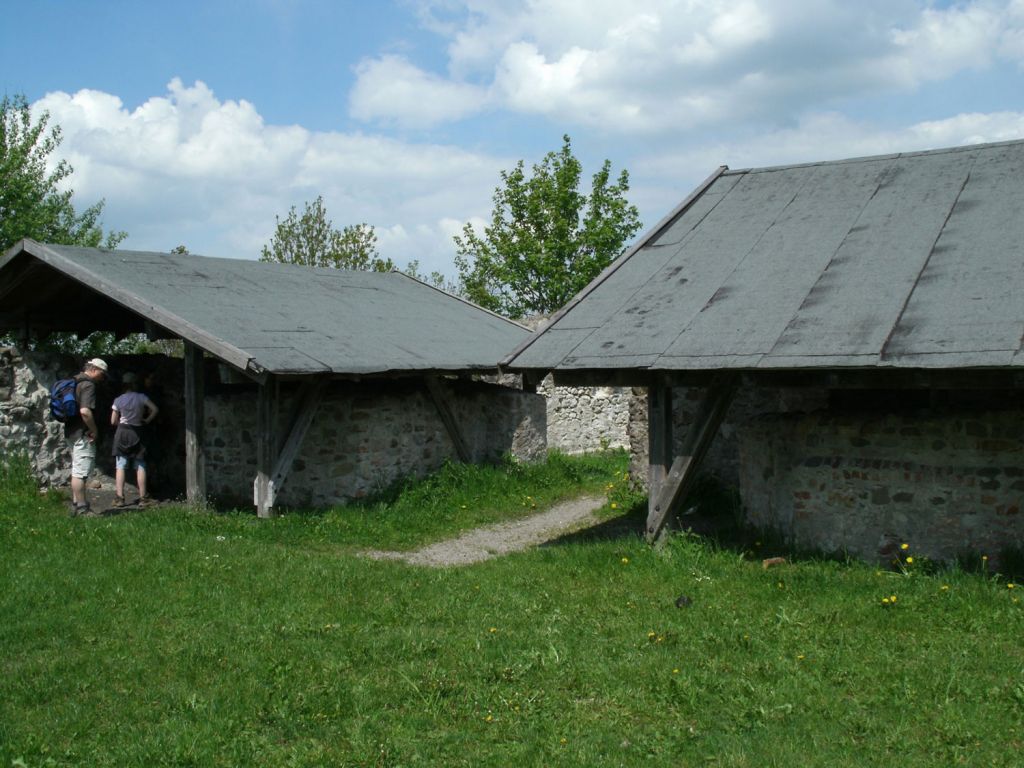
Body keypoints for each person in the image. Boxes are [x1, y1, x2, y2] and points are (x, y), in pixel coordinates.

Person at [110, 371, 159, 507]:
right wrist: (146, 420)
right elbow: (155, 409)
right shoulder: (141, 397)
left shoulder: (118, 400)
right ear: (135, 384)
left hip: (122, 432)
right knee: (140, 464)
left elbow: (113, 421)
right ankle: (143, 497)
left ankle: (119, 498)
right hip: (138, 431)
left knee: (120, 465)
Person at [66, 358, 108, 516]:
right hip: (83, 433)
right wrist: (94, 429)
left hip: (70, 431)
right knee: (80, 472)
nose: (102, 379)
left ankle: (76, 505)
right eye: (103, 375)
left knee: (76, 468)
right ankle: (83, 508)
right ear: (95, 370)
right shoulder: (88, 384)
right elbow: (85, 411)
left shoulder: (74, 381)